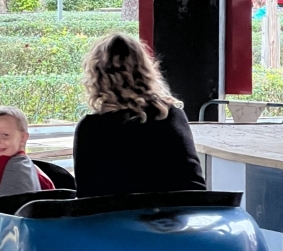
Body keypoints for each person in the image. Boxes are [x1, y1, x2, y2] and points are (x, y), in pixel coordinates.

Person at [74, 33, 205, 198]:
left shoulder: (90, 128)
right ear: (145, 69)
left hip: (115, 214)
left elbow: (87, 197)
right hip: (173, 213)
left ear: (97, 76)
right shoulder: (170, 115)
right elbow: (194, 187)